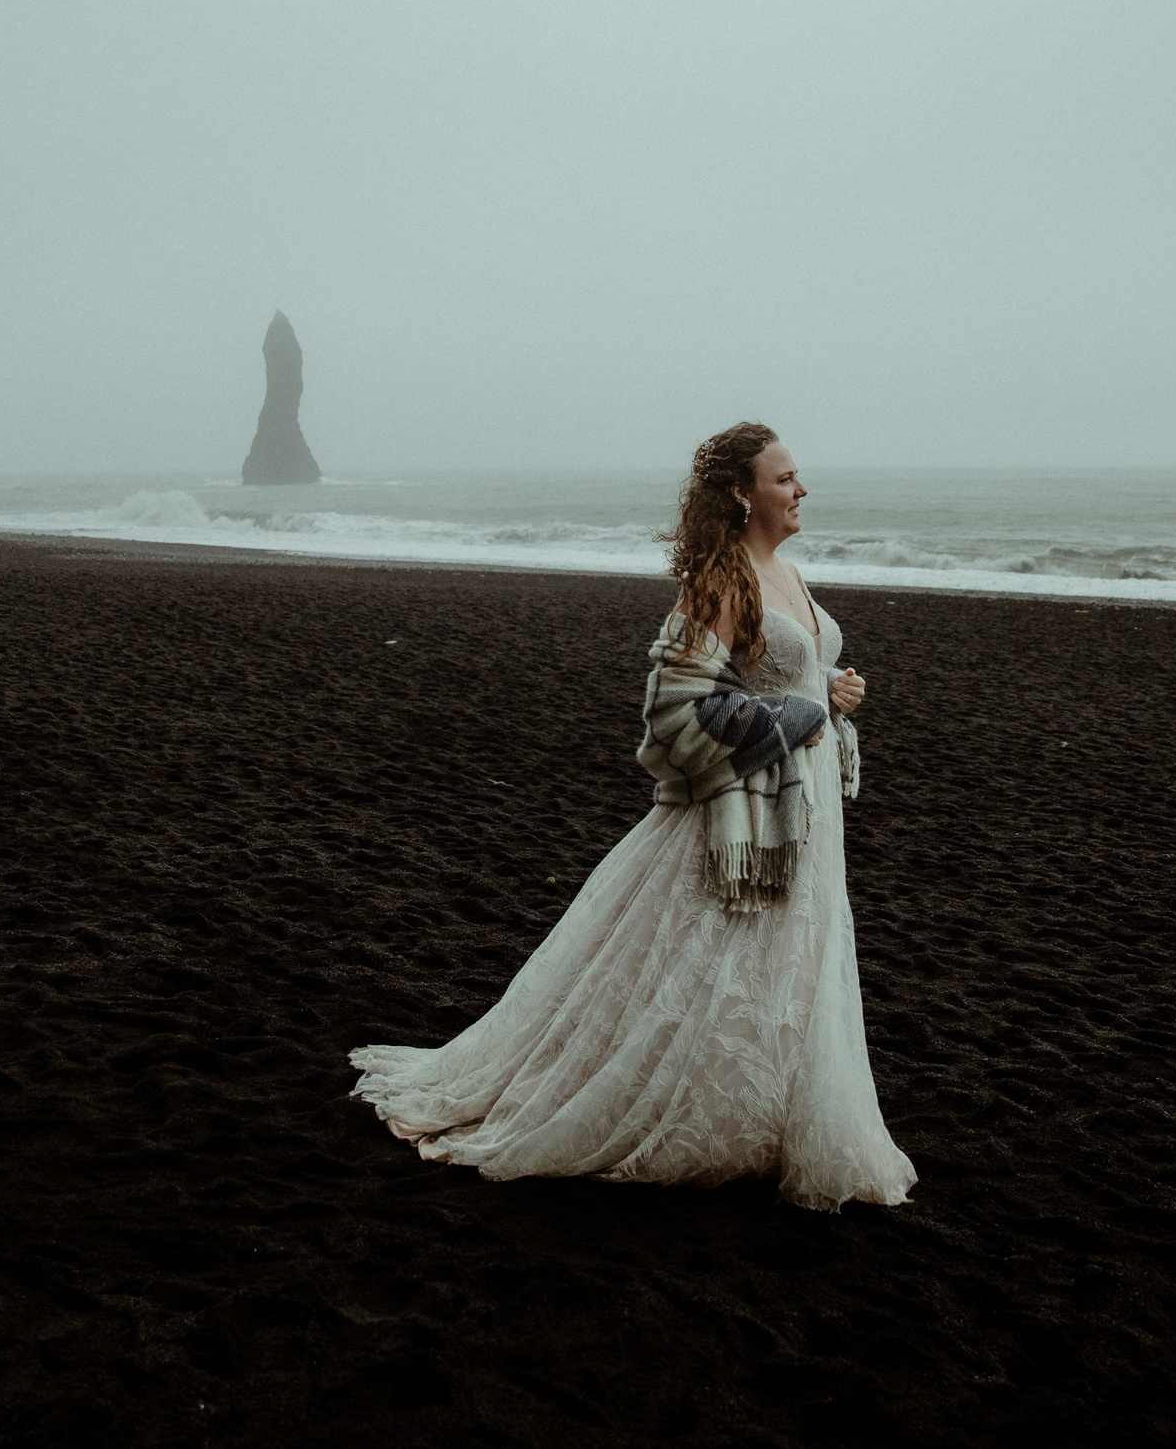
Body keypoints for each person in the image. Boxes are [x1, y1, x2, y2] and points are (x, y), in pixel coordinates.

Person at [349, 423, 916, 1211]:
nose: (802, 490)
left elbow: (792, 675)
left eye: (799, 476)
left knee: (791, 962)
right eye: (785, 478)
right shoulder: (720, 580)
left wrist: (831, 691)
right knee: (707, 960)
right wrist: (796, 713)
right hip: (737, 813)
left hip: (803, 808)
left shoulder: (787, 571)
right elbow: (674, 713)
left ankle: (775, 1114)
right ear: (742, 492)